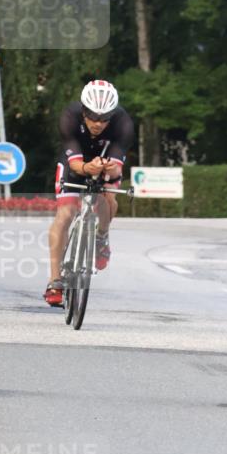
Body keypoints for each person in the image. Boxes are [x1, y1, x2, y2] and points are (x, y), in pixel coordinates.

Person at [44, 80, 134, 306]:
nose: (98, 123)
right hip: (75, 162)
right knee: (65, 215)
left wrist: (106, 168)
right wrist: (87, 167)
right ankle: (55, 280)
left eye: (104, 118)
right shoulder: (69, 117)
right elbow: (74, 165)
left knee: (108, 199)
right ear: (84, 110)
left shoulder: (123, 123)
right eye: (93, 116)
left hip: (107, 162)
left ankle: (101, 237)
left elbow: (115, 168)